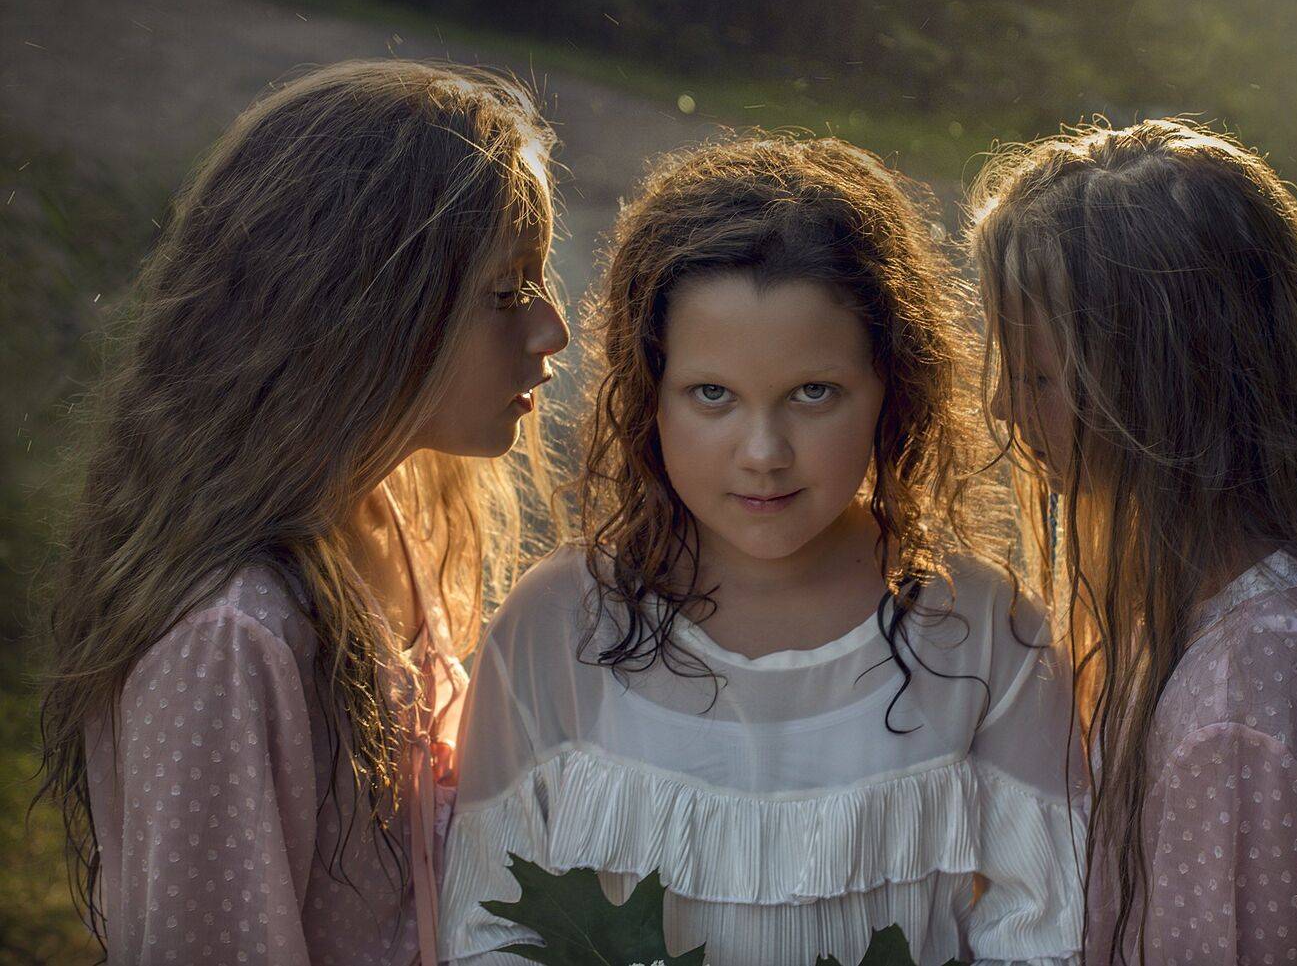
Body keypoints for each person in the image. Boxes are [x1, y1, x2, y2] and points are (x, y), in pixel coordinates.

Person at [439, 136, 1086, 966]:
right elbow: (489, 930)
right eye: (713, 394)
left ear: (892, 387)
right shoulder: (559, 628)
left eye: (813, 393)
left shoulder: (987, 635)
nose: (763, 451)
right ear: (651, 394)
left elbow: (1046, 938)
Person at [36, 58, 569, 966]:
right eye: (508, 291)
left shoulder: (394, 513)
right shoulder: (229, 642)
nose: (552, 328)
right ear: (359, 307)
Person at [968, 118, 1297, 965]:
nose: (1005, 406)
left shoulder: (1242, 699)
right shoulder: (1207, 607)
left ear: (1166, 391)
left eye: (1041, 375)